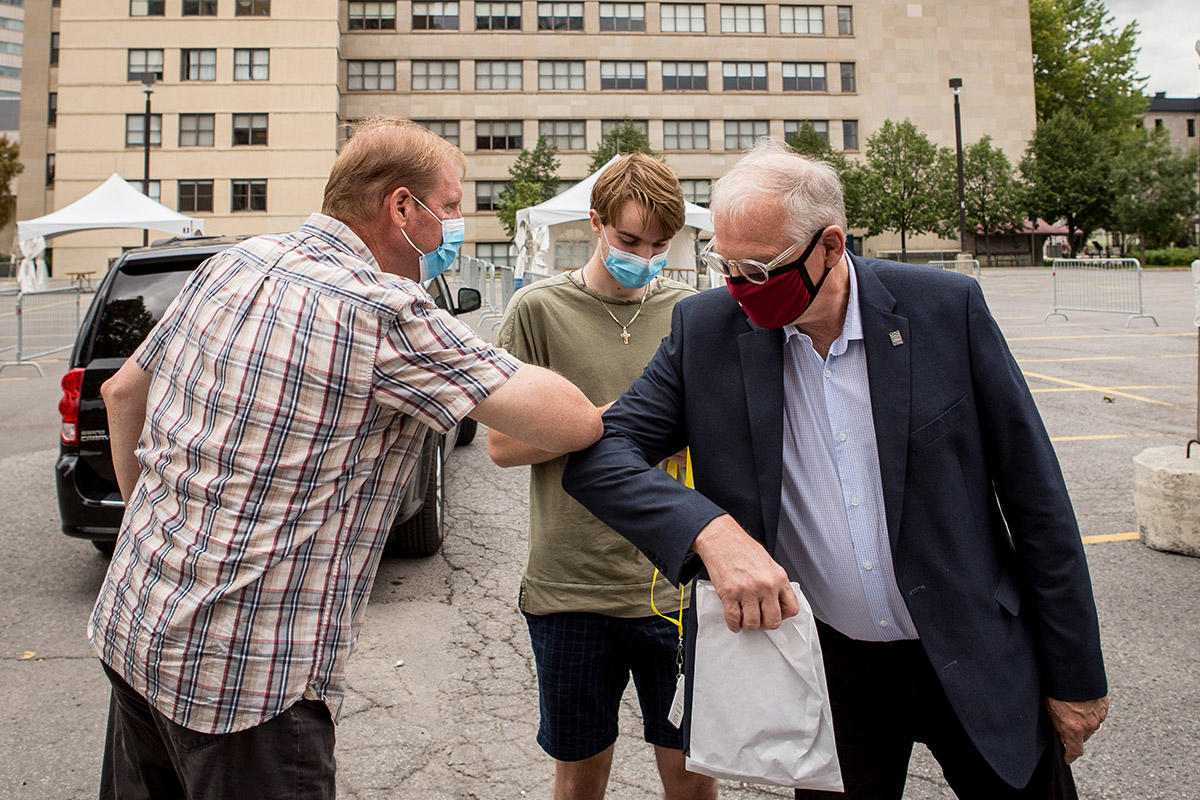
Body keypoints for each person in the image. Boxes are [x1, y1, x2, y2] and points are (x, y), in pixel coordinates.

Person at [562, 140, 1109, 799]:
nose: (740, 290)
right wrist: (710, 532)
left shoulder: (945, 310)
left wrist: (1077, 677)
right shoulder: (705, 332)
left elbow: (1037, 499)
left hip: (974, 649)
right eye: (726, 266)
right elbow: (601, 457)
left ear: (829, 246)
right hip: (831, 670)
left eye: (761, 270)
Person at [91, 116, 602, 800]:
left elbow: (123, 392)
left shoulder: (234, 261)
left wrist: (146, 532)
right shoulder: (381, 309)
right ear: (400, 206)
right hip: (249, 687)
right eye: (449, 207)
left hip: (135, 624)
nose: (455, 225)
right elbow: (567, 420)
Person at [489, 154, 718, 800]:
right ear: (595, 224)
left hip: (677, 590)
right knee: (580, 779)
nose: (644, 256)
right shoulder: (538, 311)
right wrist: (612, 426)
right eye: (628, 241)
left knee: (693, 775)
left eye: (657, 244)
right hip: (572, 590)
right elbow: (502, 445)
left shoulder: (691, 313)